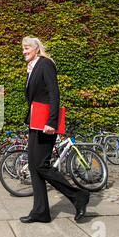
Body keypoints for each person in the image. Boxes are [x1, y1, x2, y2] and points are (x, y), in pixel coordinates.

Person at [21, 36, 89, 223]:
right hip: (35, 122)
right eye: (23, 49)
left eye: (27, 48)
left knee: (41, 165)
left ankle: (78, 196)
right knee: (35, 167)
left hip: (45, 124)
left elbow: (53, 92)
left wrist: (52, 120)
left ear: (36, 49)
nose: (24, 52)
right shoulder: (32, 68)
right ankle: (40, 212)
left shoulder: (45, 64)